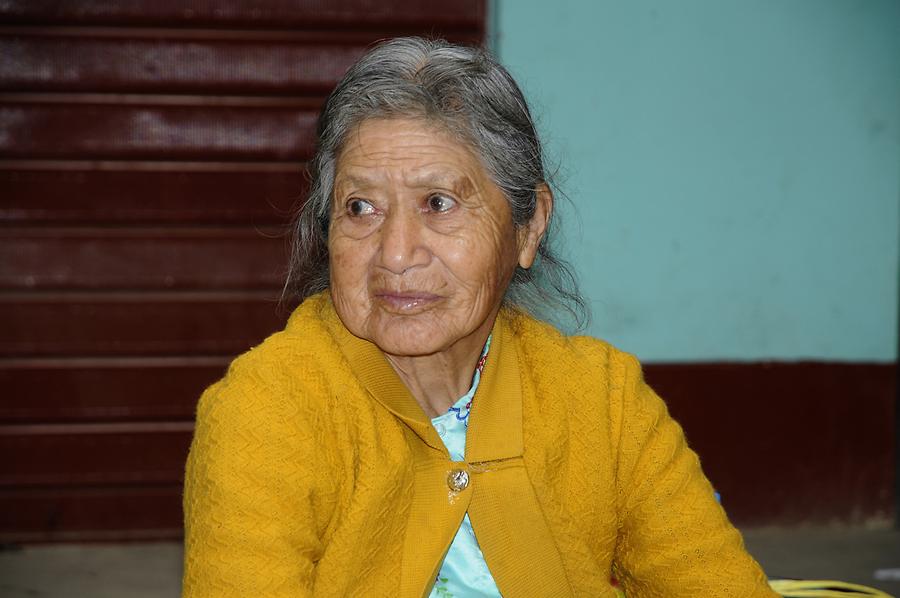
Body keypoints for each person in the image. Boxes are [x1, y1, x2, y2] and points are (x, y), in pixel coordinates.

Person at [182, 37, 778, 597]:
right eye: (360, 208)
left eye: (438, 204)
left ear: (529, 226)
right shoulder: (265, 410)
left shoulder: (602, 399)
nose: (394, 253)